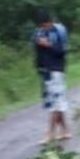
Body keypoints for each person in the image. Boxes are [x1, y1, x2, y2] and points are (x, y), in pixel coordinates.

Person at [33, 10, 70, 144]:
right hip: (46, 72)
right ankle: (65, 130)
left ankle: (50, 133)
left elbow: (63, 51)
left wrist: (49, 45)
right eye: (41, 26)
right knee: (55, 102)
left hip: (57, 70)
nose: (44, 28)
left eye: (45, 25)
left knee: (56, 103)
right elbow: (37, 53)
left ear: (50, 21)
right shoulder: (39, 33)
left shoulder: (59, 31)